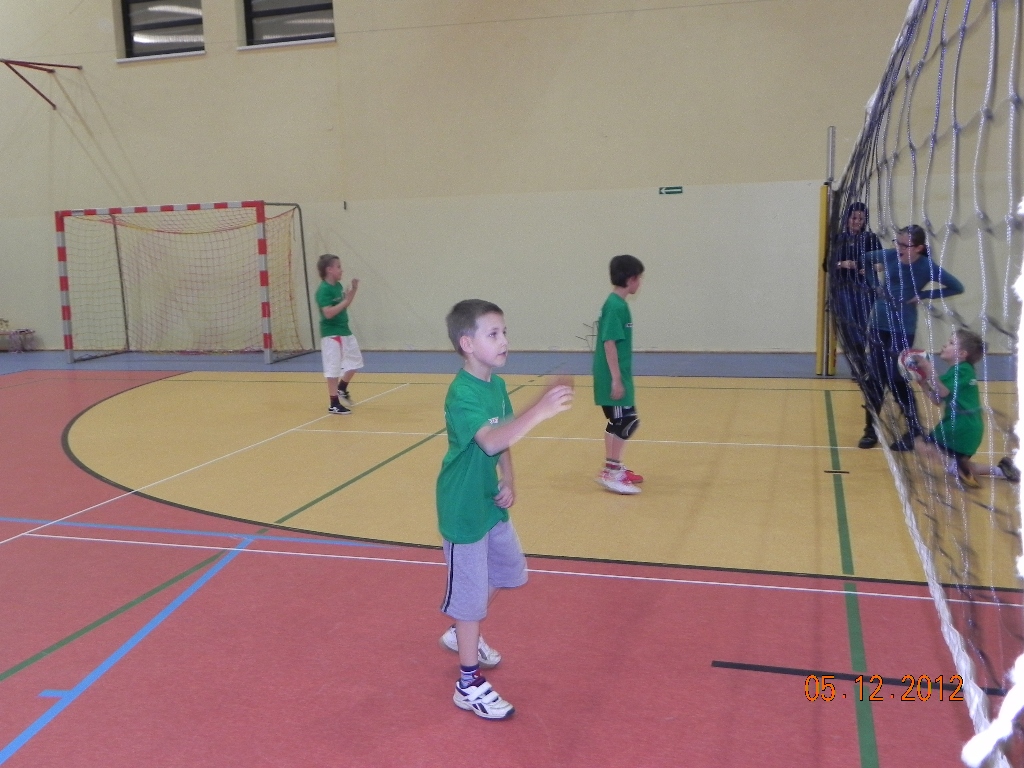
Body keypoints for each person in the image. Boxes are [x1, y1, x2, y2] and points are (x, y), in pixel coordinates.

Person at [436, 299, 574, 720]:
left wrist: (510, 480)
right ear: (467, 344)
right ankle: (468, 684)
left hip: (489, 501)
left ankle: (462, 631)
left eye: (504, 332)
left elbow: (505, 439)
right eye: (493, 334)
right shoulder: (462, 393)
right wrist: (541, 410)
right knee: (469, 600)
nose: (504, 341)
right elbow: (490, 440)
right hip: (463, 509)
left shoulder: (495, 385)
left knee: (510, 570)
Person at [859, 225, 964, 450]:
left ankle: (914, 430)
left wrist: (924, 294)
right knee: (874, 378)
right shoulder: (889, 256)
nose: (898, 247)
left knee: (895, 377)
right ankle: (870, 430)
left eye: (904, 245)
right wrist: (874, 284)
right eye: (897, 242)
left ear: (918, 248)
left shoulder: (926, 267)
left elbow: (957, 287)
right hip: (878, 323)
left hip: (902, 328)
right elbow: (864, 259)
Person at [911, 329, 1020, 486]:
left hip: (959, 426)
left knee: (921, 445)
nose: (945, 345)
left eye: (951, 343)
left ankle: (958, 469)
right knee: (959, 464)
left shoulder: (962, 370)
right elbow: (937, 399)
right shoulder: (958, 372)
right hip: (970, 429)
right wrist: (924, 385)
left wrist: (928, 368)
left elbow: (942, 391)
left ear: (962, 354)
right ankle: (1001, 470)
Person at [593, 254, 645, 494]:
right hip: (612, 376)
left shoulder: (619, 304)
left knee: (621, 420)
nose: (640, 283)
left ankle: (615, 466)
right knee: (625, 421)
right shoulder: (615, 306)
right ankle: (611, 472)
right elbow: (609, 343)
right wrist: (615, 379)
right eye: (639, 278)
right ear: (630, 279)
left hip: (619, 374)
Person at [831, 202, 882, 379]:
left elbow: (882, 263)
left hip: (865, 287)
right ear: (847, 219)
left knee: (862, 326)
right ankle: (860, 363)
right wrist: (842, 264)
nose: (857, 222)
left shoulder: (871, 238)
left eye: (861, 218)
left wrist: (870, 268)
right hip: (844, 287)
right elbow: (827, 264)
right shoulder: (838, 239)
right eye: (854, 218)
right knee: (849, 325)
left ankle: (859, 365)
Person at [315, 254, 362, 415]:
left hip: (345, 331)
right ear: (329, 270)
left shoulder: (338, 286)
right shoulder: (323, 290)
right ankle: (333, 403)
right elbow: (328, 313)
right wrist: (344, 302)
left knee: (355, 362)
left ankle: (342, 388)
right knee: (333, 369)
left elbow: (344, 304)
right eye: (339, 267)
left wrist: (353, 290)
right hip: (332, 334)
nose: (342, 270)